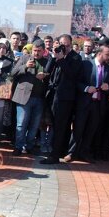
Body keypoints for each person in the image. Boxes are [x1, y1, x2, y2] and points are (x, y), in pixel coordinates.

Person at [41, 34, 85, 164]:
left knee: (60, 126)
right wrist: (54, 57)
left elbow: (72, 75)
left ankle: (54, 155)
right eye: (61, 44)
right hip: (53, 95)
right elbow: (46, 71)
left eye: (66, 45)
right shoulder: (57, 56)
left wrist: (61, 59)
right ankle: (58, 151)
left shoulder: (76, 58)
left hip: (65, 98)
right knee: (53, 124)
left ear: (71, 45)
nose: (63, 47)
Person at [11, 39, 49, 156]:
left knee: (34, 125)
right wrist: (25, 67)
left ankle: (29, 146)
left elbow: (51, 77)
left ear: (44, 51)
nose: (36, 53)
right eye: (34, 50)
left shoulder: (47, 62)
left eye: (39, 51)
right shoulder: (24, 58)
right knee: (21, 123)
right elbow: (13, 73)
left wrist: (45, 76)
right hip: (24, 97)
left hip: (39, 98)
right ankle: (18, 146)